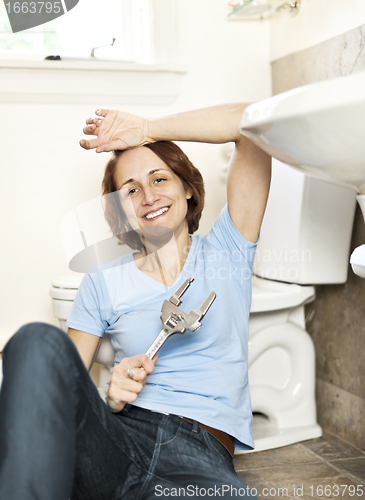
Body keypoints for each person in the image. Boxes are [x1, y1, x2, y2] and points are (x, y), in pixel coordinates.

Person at [0, 104, 271, 499]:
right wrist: (110, 398)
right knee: (35, 341)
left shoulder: (228, 250)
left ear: (188, 188)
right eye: (131, 190)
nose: (148, 196)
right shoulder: (102, 279)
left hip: (198, 457)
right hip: (117, 439)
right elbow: (61, 391)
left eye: (160, 178)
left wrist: (147, 128)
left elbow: (252, 121)